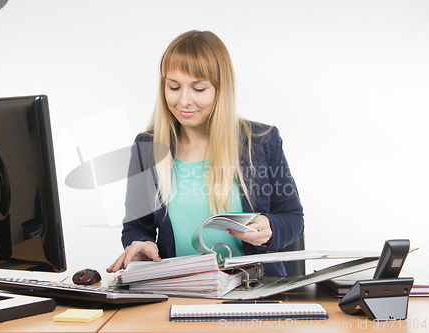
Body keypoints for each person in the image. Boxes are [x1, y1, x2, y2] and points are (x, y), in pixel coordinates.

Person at [106, 30, 303, 276]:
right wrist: (143, 244)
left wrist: (271, 227)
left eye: (198, 89)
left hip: (254, 290)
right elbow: (136, 228)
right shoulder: (147, 148)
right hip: (179, 289)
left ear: (220, 89)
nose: (184, 101)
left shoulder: (261, 142)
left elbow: (293, 219)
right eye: (174, 87)